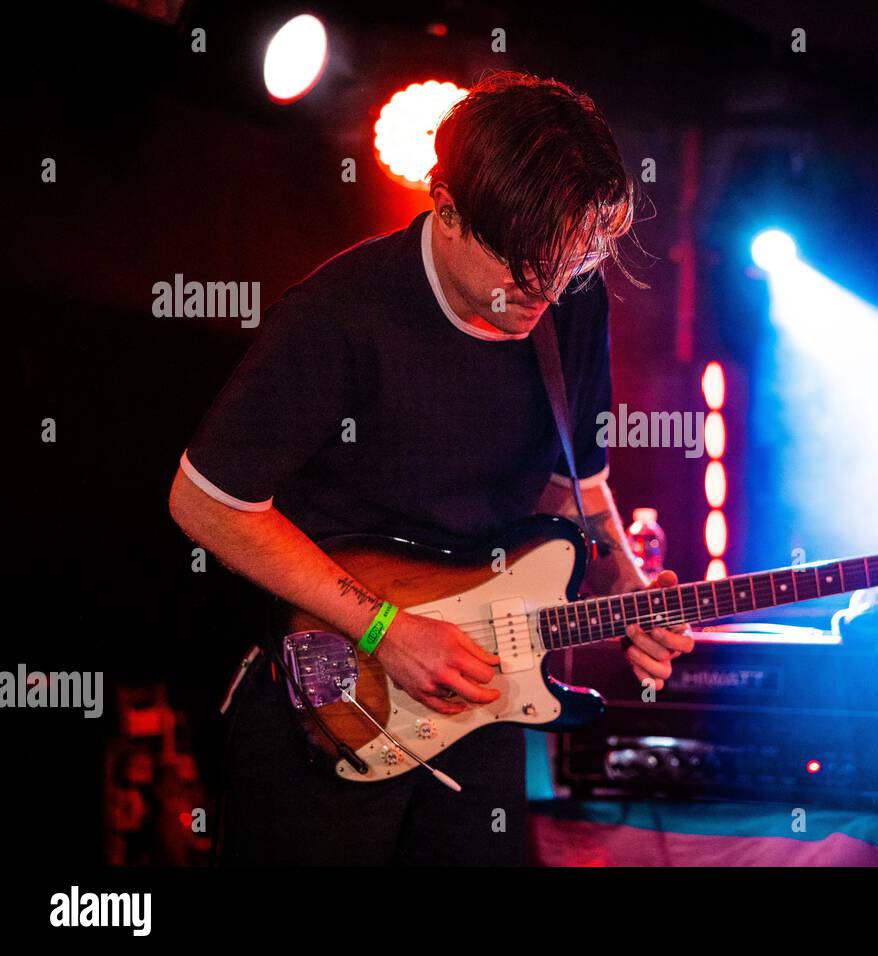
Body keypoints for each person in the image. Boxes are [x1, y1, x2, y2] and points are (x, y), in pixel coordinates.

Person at [167, 71, 694, 865]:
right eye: (523, 268)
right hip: (331, 695)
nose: (541, 294)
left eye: (566, 267)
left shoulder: (570, 298)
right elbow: (206, 504)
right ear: (446, 206)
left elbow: (576, 486)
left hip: (480, 699)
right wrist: (386, 626)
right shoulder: (338, 316)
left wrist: (625, 590)